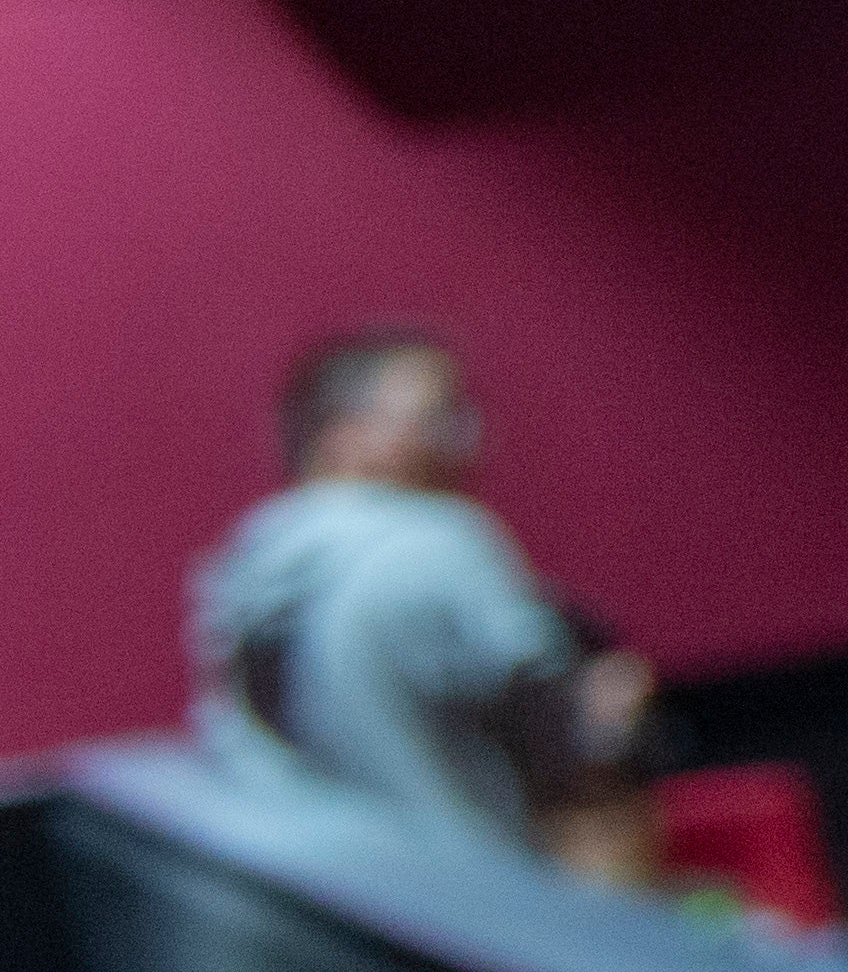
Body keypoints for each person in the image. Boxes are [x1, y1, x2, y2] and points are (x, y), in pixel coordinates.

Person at [190, 332, 640, 854]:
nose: (464, 442)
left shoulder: (254, 552)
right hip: (450, 895)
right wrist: (610, 726)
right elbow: (569, 749)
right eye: (435, 419)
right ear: (344, 436)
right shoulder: (443, 540)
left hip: (303, 891)